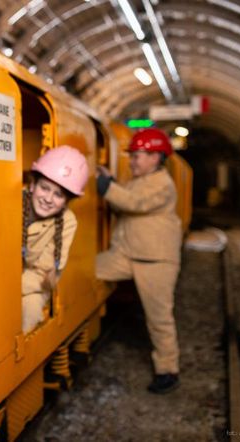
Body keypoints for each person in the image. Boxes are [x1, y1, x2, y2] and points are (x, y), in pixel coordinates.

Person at [95, 128, 182, 394]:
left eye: (138, 156)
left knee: (159, 319)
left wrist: (107, 187)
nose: (132, 161)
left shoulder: (162, 184)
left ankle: (167, 370)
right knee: (84, 272)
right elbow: (125, 200)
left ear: (156, 157)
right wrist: (111, 183)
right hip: (126, 254)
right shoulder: (136, 181)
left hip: (155, 260)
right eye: (132, 156)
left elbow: (135, 203)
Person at [22, 146, 89, 334]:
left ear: (67, 201)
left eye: (58, 194)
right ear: (33, 184)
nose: (48, 199)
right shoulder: (11, 202)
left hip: (31, 286)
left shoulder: (67, 222)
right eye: (45, 188)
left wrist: (7, 289)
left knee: (31, 310)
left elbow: (44, 275)